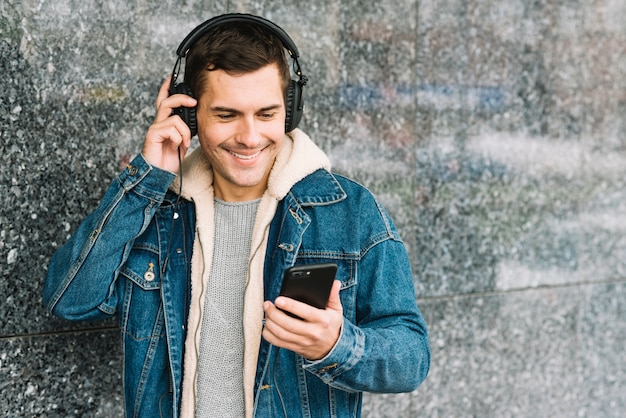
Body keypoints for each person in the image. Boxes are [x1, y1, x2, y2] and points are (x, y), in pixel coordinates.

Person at [43, 13, 430, 418]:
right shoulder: (153, 211)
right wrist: (146, 180)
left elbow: (411, 356)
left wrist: (337, 346)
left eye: (266, 114)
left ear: (291, 110)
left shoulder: (350, 213)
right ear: (189, 117)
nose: (249, 137)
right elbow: (69, 301)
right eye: (226, 115)